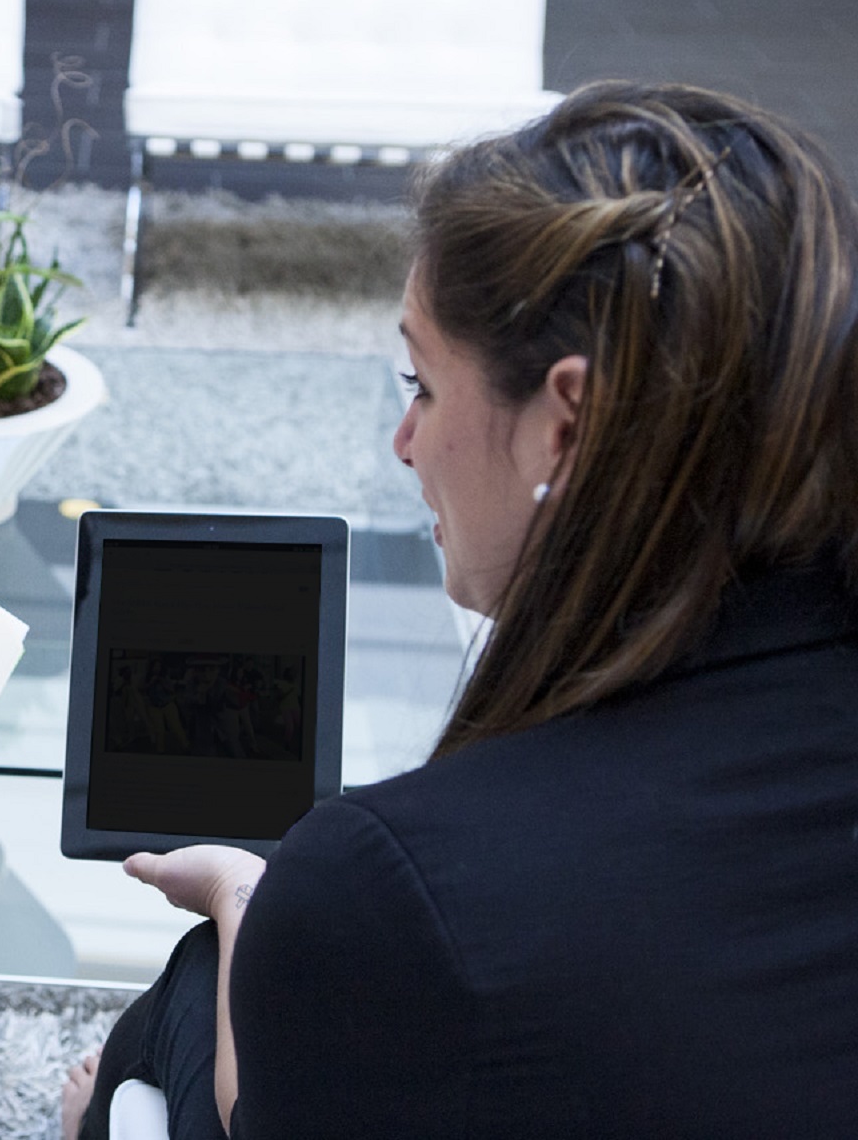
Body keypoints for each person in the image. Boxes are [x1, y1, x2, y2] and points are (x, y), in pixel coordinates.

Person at [62, 81, 858, 1139]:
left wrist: (251, 901)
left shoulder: (396, 889)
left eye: (421, 383)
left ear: (560, 423)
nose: (403, 443)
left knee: (195, 985)